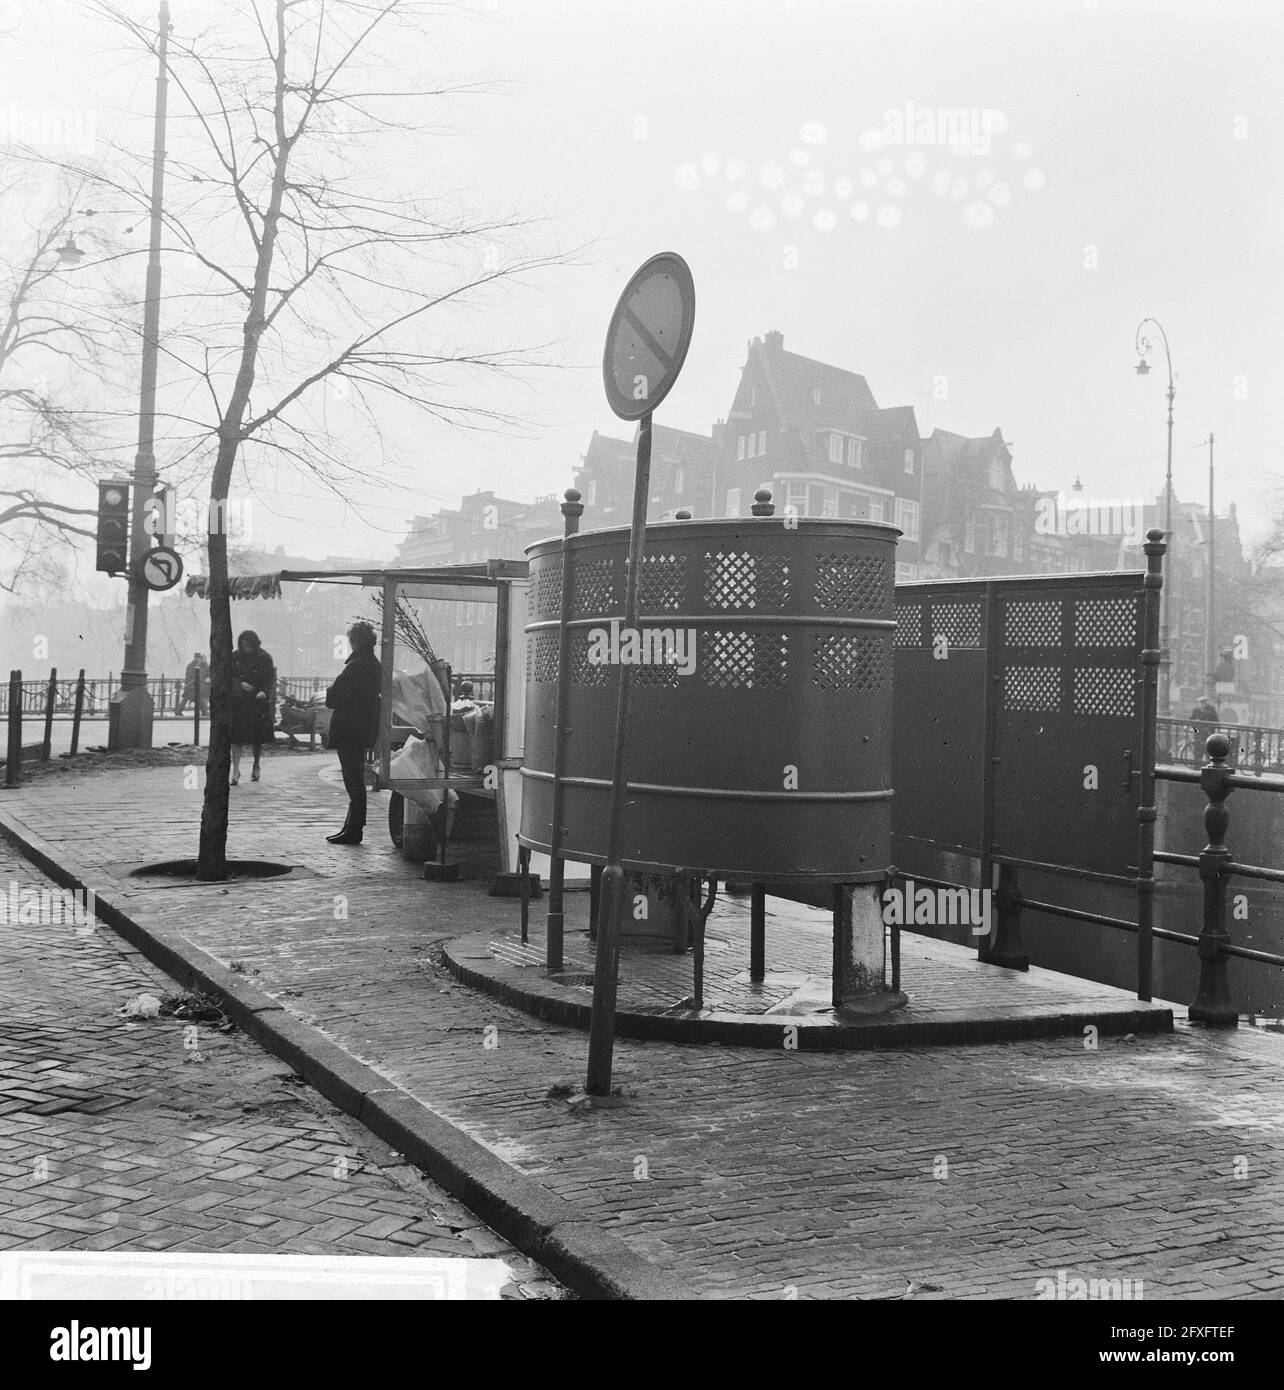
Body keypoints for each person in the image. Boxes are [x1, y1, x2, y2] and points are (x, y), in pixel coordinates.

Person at [324, 621, 382, 845]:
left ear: (356, 641)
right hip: (362, 727)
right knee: (354, 777)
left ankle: (354, 828)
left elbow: (333, 696)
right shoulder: (372, 664)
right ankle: (351, 826)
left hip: (349, 728)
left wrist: (331, 690)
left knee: (353, 779)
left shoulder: (356, 665)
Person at [230, 631, 275, 785]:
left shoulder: (264, 658)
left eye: (249, 646)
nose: (246, 648)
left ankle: (256, 764)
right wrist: (239, 684)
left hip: (256, 701)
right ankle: (235, 769)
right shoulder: (235, 657)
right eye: (244, 646)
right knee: (236, 738)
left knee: (257, 738)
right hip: (239, 702)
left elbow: (269, 679)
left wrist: (264, 691)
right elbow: (229, 676)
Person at [176, 652, 208, 717]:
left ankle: (178, 711)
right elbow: (193, 676)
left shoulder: (192, 665)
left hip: (191, 685)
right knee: (198, 698)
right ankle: (204, 711)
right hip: (193, 686)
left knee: (186, 699)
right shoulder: (195, 666)